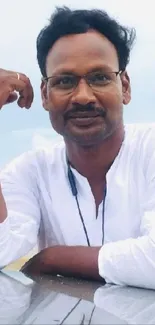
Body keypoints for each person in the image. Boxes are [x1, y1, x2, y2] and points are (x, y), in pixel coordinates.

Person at [0, 6, 155, 289]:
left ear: (126, 86)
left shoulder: (150, 150)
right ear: (45, 95)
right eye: (65, 81)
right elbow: (2, 251)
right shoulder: (29, 172)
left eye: (99, 77)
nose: (83, 97)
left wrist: (53, 258)